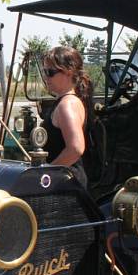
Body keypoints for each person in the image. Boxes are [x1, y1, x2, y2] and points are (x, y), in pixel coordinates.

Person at [40, 46, 93, 187]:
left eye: (50, 72)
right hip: (66, 180)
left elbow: (75, 148)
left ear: (68, 72)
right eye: (44, 72)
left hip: (65, 184)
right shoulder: (69, 101)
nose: (46, 77)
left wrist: (47, 172)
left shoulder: (67, 105)